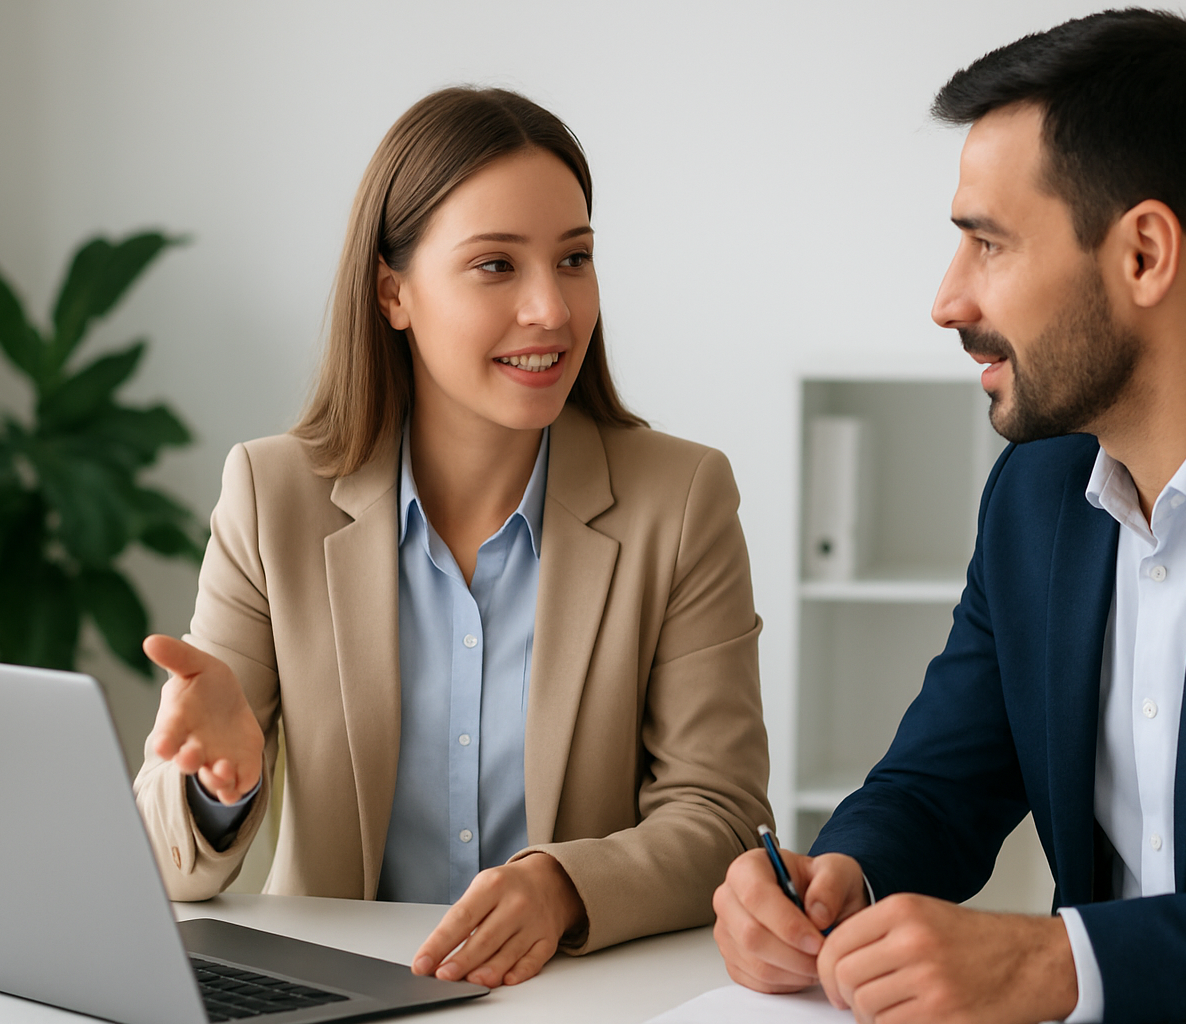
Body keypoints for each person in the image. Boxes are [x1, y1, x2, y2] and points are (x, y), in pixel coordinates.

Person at [713, 10, 1186, 1023]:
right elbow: (938, 784)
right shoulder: (1033, 492)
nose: (948, 300)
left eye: (987, 243)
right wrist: (837, 882)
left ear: (1144, 254)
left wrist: (1051, 965)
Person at [133, 86, 772, 990]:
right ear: (392, 292)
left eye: (574, 258)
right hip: (334, 995)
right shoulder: (272, 497)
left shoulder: (681, 499)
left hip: (571, 996)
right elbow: (166, 863)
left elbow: (722, 814)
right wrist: (214, 787)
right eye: (495, 265)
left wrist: (562, 887)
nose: (551, 309)